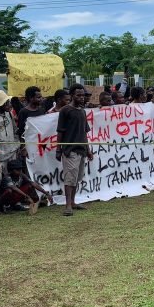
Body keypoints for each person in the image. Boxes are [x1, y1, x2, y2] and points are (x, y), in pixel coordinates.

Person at [55, 84, 93, 217]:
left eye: (83, 95)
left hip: (81, 149)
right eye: (78, 95)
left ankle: (73, 201)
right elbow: (60, 132)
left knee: (76, 178)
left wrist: (88, 150)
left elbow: (84, 133)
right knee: (69, 178)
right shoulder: (65, 111)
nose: (81, 97)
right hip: (69, 150)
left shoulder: (82, 111)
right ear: (72, 95)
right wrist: (58, 149)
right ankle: (68, 205)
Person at [0, 90, 18, 199]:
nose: (9, 105)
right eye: (7, 102)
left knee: (12, 177)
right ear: (1, 104)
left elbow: (15, 130)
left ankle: (12, 200)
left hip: (12, 151)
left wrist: (17, 145)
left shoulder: (9, 114)